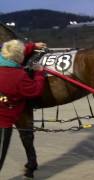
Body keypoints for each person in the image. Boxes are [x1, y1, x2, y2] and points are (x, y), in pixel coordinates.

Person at [0, 39, 45, 171]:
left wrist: (32, 46)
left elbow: (15, 51)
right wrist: (39, 73)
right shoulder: (19, 76)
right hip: (3, 123)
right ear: (20, 57)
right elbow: (35, 91)